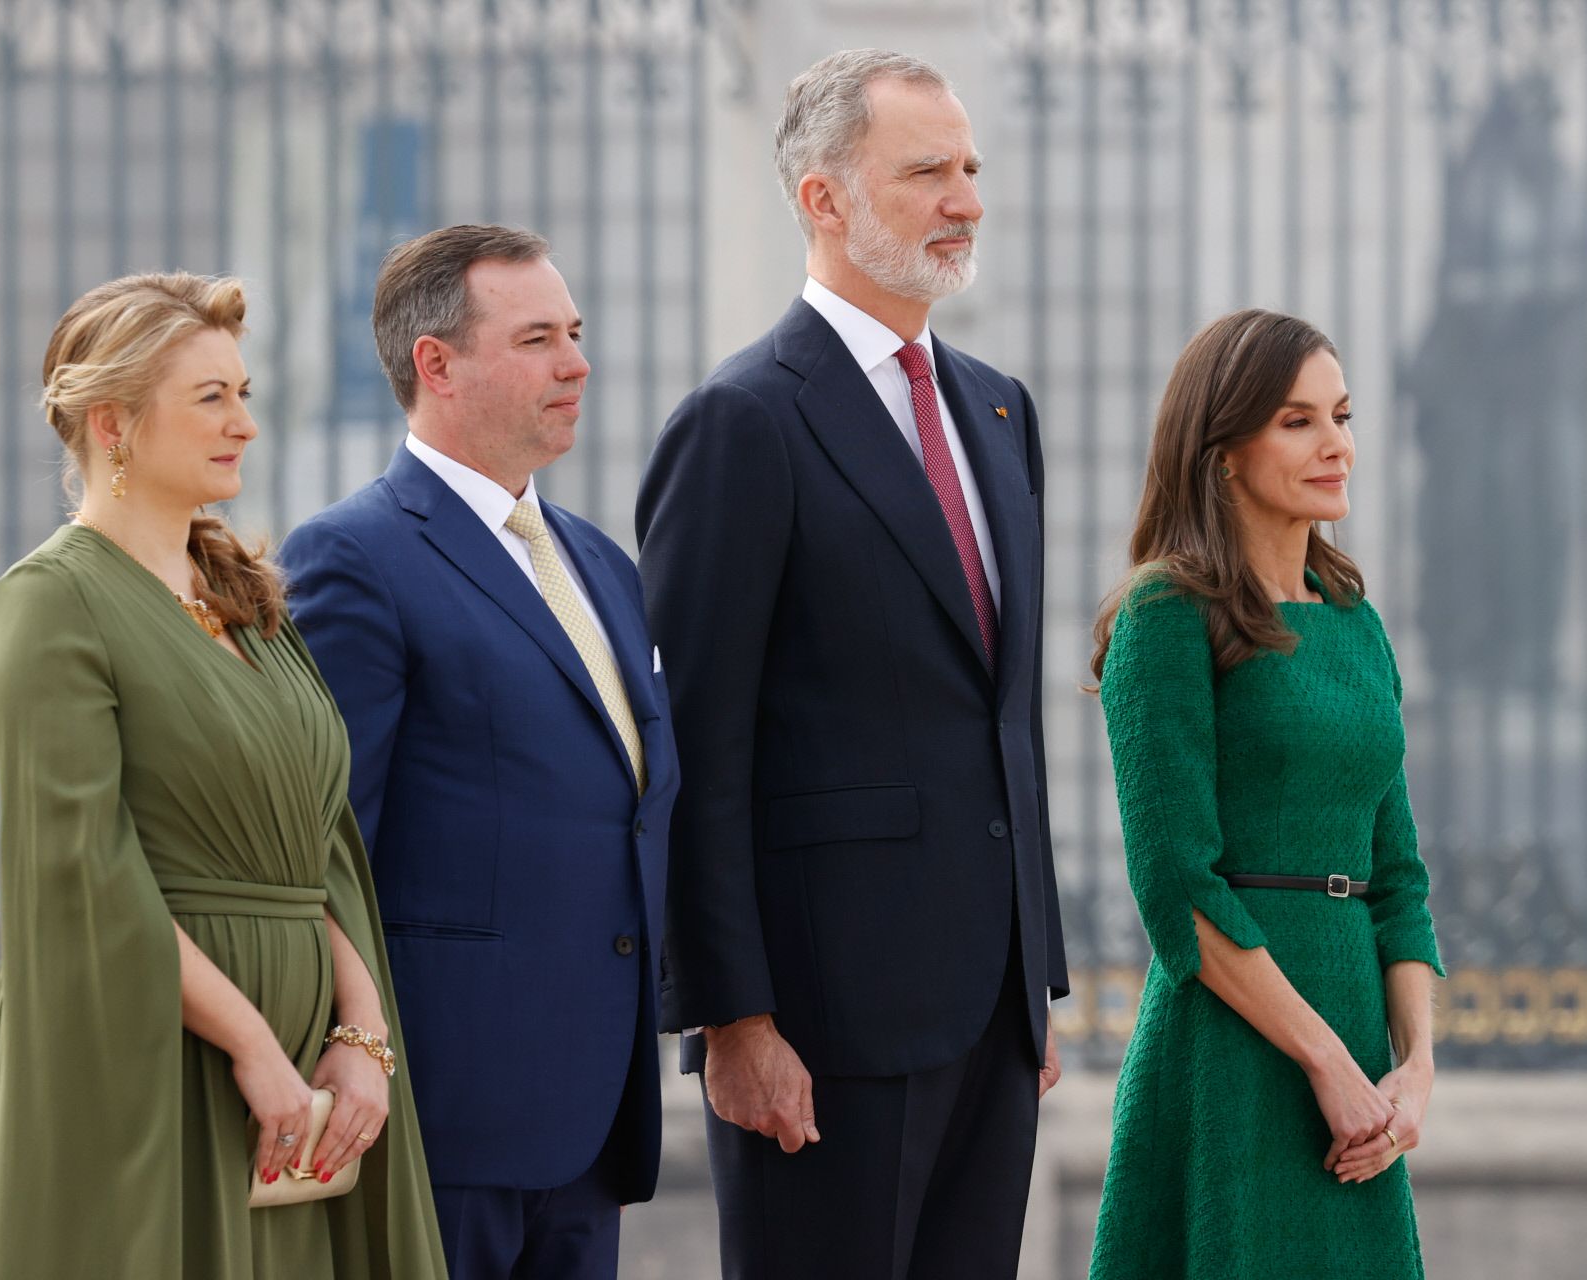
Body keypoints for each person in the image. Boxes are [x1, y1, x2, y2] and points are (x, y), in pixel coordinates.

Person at [636, 49, 1067, 1279]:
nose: (967, 199)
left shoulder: (999, 410)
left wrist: (1031, 975)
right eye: (927, 171)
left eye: (971, 169)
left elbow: (1005, 716)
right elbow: (695, 742)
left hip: (990, 1008)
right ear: (823, 199)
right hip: (824, 1023)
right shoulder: (743, 422)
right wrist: (733, 1015)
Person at [0, 273, 448, 1278]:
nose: (246, 425)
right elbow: (86, 876)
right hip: (154, 1059)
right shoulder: (49, 607)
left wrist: (361, 1035)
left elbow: (322, 850)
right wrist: (255, 1051)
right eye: (212, 398)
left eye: (246, 392)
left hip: (308, 1072)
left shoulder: (248, 603)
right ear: (114, 425)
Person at [279, 225, 676, 1280]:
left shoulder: (600, 562)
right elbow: (327, 838)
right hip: (441, 1117)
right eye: (539, 337)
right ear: (437, 365)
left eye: (577, 333)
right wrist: (343, 1046)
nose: (577, 362)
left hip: (594, 1120)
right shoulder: (351, 556)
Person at [1087, 309, 1443, 1278]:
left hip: (1360, 1054)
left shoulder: (1355, 623)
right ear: (1225, 448)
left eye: (1342, 413)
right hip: (1235, 1047)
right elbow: (1178, 890)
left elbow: (1399, 879)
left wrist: (1411, 1070)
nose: (1338, 444)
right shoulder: (1166, 615)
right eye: (1297, 420)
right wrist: (1324, 1061)